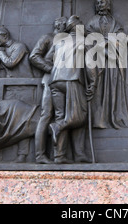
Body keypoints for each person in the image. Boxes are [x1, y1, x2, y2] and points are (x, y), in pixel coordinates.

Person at [48, 15, 96, 163]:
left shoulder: (59, 40)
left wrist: (57, 71)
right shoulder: (83, 41)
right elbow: (90, 65)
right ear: (77, 26)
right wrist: (93, 82)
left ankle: (60, 156)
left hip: (55, 81)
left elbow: (49, 58)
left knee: (61, 114)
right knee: (80, 116)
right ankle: (58, 127)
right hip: (72, 80)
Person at [0, 25, 33, 162]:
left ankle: (22, 155)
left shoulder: (19, 46)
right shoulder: (3, 50)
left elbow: (11, 63)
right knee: (4, 119)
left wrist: (1, 54)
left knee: (24, 122)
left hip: (24, 88)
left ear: (5, 36)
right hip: (10, 88)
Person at [85, 0, 128, 128]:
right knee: (98, 90)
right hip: (97, 59)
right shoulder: (91, 22)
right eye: (98, 3)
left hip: (112, 61)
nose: (100, 5)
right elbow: (88, 37)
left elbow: (122, 37)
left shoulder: (115, 22)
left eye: (102, 2)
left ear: (108, 5)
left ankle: (114, 116)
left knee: (112, 88)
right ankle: (98, 120)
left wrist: (110, 43)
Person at [29, 16, 67, 164]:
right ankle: (40, 155)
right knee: (46, 115)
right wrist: (52, 69)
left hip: (65, 81)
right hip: (51, 80)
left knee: (61, 116)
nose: (62, 25)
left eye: (64, 23)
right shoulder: (47, 38)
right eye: (60, 23)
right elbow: (34, 56)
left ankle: (59, 155)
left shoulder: (67, 40)